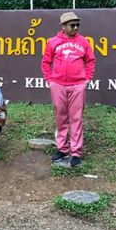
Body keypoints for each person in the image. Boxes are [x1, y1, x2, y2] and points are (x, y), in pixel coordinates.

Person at [41, 12, 95, 168]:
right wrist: (49, 80)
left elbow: (90, 60)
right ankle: (62, 149)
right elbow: (46, 62)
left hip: (77, 85)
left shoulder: (83, 42)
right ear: (63, 26)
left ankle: (76, 152)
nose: (76, 28)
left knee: (76, 118)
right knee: (61, 117)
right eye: (72, 25)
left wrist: (87, 80)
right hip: (58, 85)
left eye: (77, 25)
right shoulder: (53, 42)